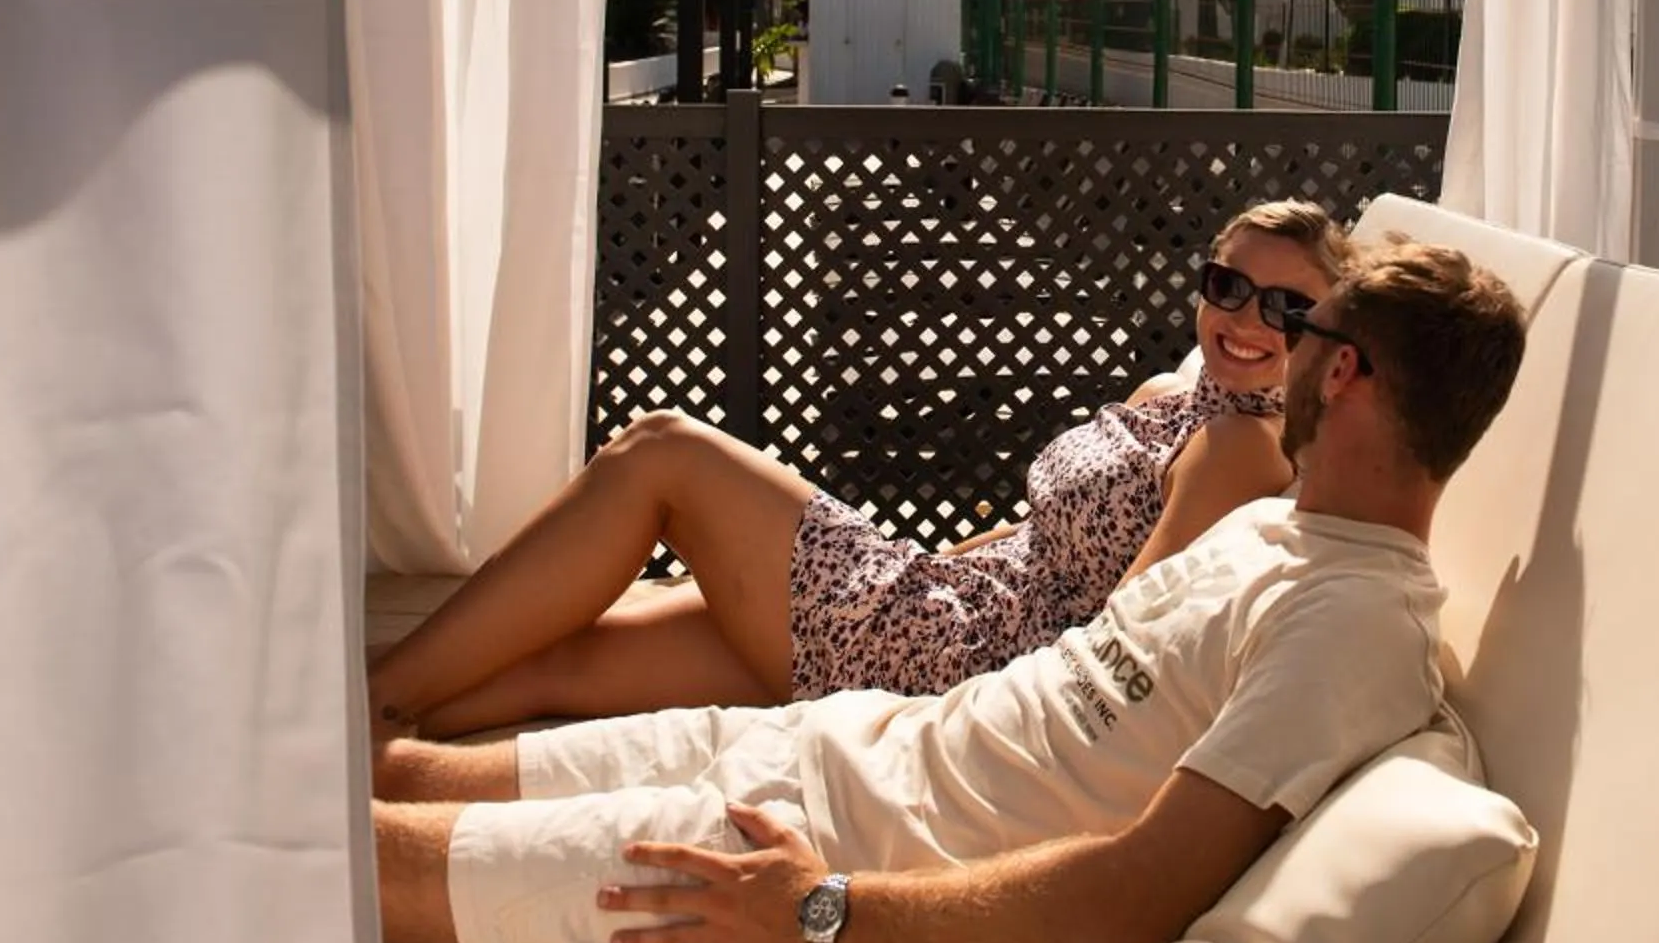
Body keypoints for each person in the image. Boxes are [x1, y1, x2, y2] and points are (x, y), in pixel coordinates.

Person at [369, 241, 1527, 943]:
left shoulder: (1352, 624)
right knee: (393, 774)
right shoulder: (1278, 528)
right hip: (830, 745)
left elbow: (1133, 894)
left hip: (810, 868)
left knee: (352, 858)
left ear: (1346, 371)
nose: (1277, 348)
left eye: (1302, 327)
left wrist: (816, 912)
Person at [369, 201, 1355, 738]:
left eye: (1284, 307)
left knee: (660, 449)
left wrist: (950, 734)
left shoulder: (1237, 449)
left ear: (1325, 331)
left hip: (942, 658)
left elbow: (1128, 633)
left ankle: (350, 715)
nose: (1244, 320)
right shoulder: (1171, 395)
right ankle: (359, 749)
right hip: (937, 599)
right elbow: (1040, 540)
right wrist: (937, 565)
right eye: (1229, 285)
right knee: (563, 658)